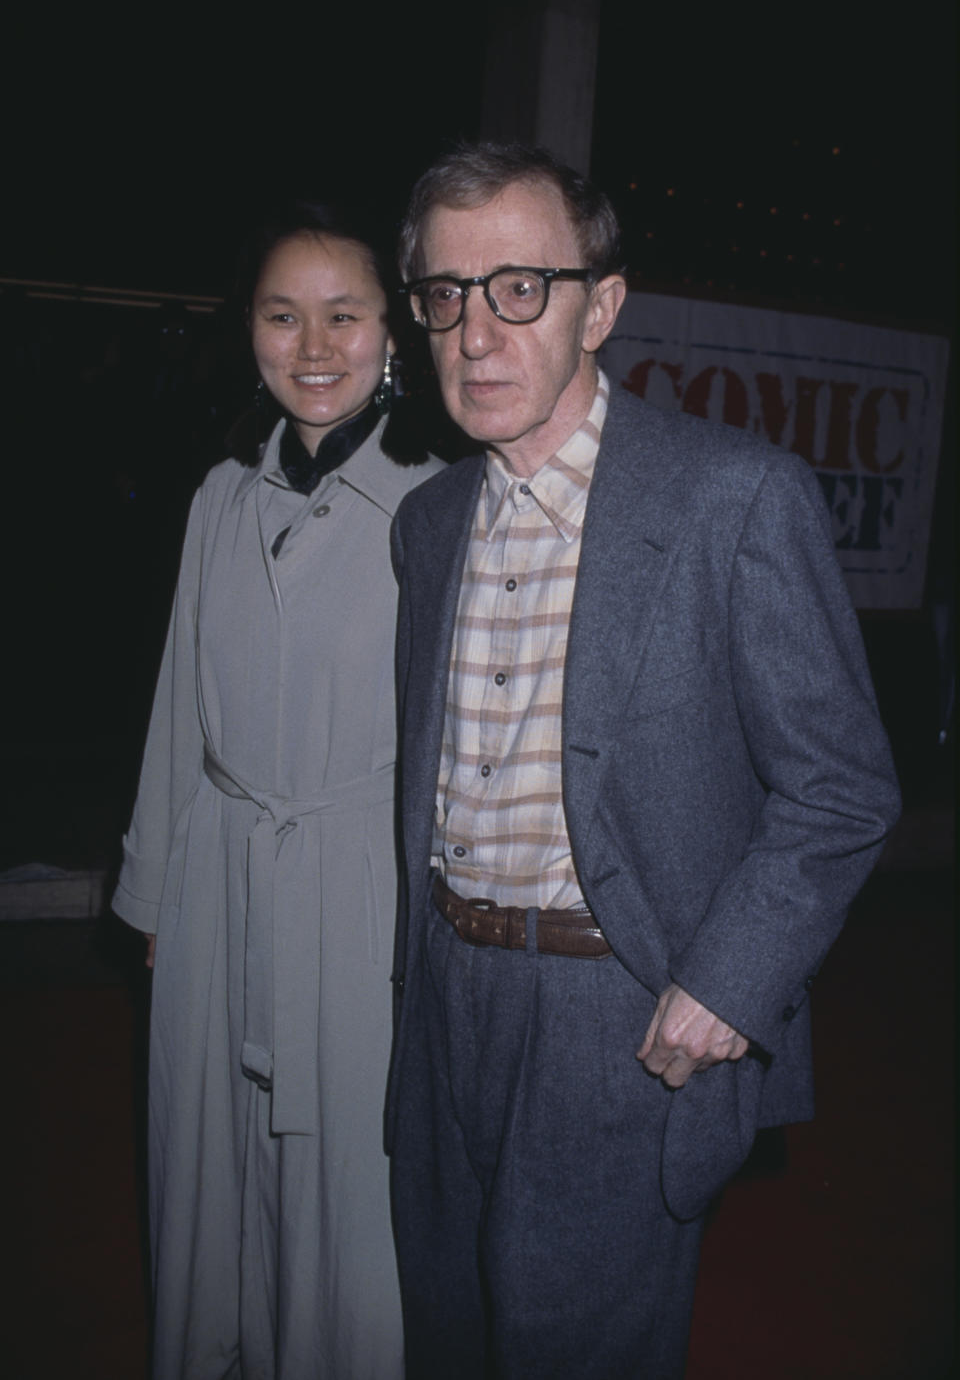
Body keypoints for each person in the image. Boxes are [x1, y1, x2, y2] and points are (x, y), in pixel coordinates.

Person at [386, 143, 901, 1379]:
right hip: (446, 995)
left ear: (600, 305)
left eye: (521, 288)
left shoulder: (735, 497)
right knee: (447, 1335)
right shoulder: (428, 520)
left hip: (614, 1015)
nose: (477, 331)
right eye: (446, 294)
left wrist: (731, 978)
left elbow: (843, 787)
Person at [112, 199, 440, 1379]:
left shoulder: (434, 507)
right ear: (246, 329)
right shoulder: (219, 499)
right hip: (215, 876)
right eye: (283, 314)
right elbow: (175, 711)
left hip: (359, 901)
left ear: (392, 331)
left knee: (344, 1190)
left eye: (343, 315)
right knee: (205, 1162)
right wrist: (154, 892)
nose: (313, 345)